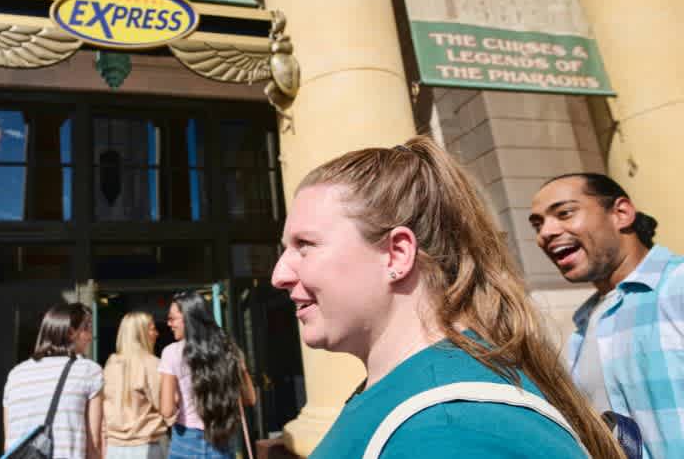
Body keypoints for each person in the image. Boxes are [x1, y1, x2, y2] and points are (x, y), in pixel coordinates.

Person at [271, 136, 624, 458]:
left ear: (396, 254)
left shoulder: (453, 427)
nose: (279, 276)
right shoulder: (418, 399)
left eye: (305, 245)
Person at [530, 173, 680, 459]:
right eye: (537, 224)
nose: (545, 233)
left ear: (621, 213)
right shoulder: (583, 327)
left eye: (564, 213)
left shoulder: (677, 286)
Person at [159, 290, 257, 459]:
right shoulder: (229, 350)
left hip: (185, 440)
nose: (169, 324)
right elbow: (250, 398)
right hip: (222, 438)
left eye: (172, 318)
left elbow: (166, 410)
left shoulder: (171, 353)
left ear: (189, 318)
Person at [4, 302, 103, 459]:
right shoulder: (89, 371)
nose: (91, 337)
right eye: (87, 328)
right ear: (71, 333)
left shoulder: (16, 374)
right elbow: (94, 444)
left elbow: (9, 443)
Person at [103, 311, 171, 459]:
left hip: (112, 448)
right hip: (146, 447)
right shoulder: (152, 364)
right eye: (152, 329)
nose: (157, 334)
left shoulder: (111, 364)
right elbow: (168, 409)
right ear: (140, 334)